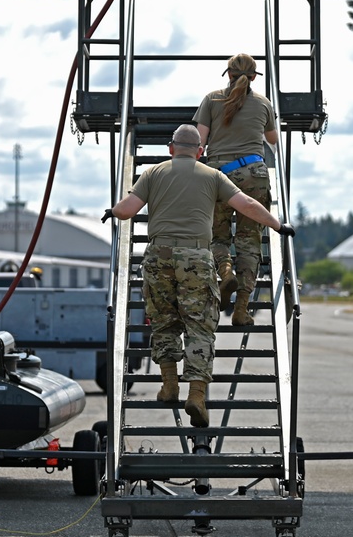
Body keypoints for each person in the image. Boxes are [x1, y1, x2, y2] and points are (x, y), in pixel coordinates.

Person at [103, 124, 288, 427]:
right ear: (201, 151)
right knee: (200, 327)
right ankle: (196, 395)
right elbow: (247, 204)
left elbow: (128, 210)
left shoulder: (154, 172)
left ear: (171, 148)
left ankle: (169, 385)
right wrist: (278, 225)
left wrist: (112, 211)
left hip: (157, 257)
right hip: (197, 259)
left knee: (163, 321)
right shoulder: (213, 176)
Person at [193, 53, 279, 326]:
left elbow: (199, 142)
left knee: (216, 237)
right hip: (254, 174)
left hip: (219, 175)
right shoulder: (264, 103)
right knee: (249, 243)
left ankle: (225, 271)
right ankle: (242, 310)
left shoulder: (212, 99)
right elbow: (273, 140)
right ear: (254, 77)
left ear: (227, 74)